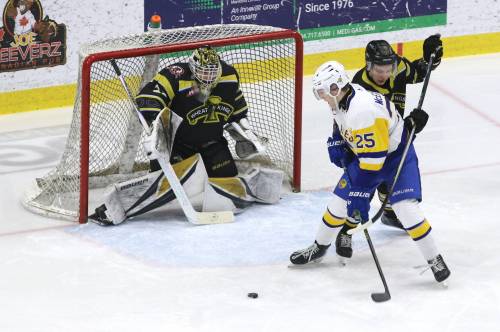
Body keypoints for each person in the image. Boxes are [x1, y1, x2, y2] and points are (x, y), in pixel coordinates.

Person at [289, 61, 451, 284]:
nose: (322, 98)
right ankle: (319, 247)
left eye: (322, 92)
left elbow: (372, 164)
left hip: (395, 159)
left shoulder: (362, 111)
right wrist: (338, 139)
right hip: (368, 157)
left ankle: (434, 259)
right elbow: (343, 124)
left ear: (335, 88)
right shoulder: (346, 96)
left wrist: (359, 196)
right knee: (338, 203)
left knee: (406, 209)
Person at [89, 46, 282, 225]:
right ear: (192, 68)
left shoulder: (229, 77)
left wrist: (245, 133)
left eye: (212, 72)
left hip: (212, 143)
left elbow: (237, 107)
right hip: (179, 146)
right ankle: (113, 208)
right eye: (203, 72)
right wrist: (155, 128)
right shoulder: (176, 75)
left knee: (226, 183)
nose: (208, 77)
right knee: (168, 185)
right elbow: (148, 98)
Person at [334, 35, 443, 258]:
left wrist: (432, 58)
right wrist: (409, 126)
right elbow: (345, 118)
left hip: (393, 137)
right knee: (362, 189)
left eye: (388, 68)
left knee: (392, 180)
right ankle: (347, 229)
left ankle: (390, 213)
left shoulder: (399, 67)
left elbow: (419, 72)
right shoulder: (360, 88)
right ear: (368, 65)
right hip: (366, 142)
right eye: (379, 70)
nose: (384, 74)